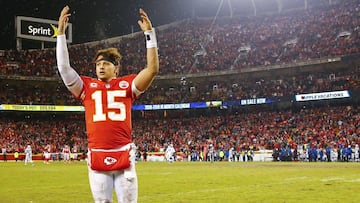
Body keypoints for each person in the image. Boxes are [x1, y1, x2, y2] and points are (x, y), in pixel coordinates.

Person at [56, 5, 159, 203]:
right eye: (98, 64)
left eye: (106, 64)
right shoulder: (86, 86)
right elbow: (63, 68)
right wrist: (61, 34)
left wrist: (149, 35)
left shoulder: (127, 84)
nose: (101, 67)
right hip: (97, 154)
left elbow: (152, 69)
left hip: (124, 155)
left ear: (116, 69)